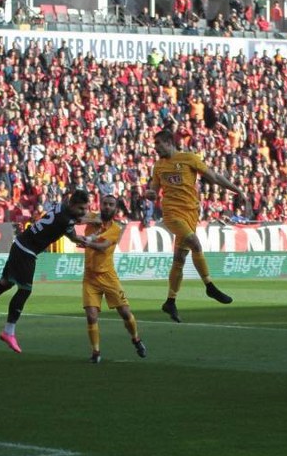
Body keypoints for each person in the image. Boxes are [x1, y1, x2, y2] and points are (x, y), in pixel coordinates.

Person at [0, 190, 92, 353]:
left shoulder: (61, 207)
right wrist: (86, 240)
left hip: (20, 244)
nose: (84, 212)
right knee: (25, 290)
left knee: (5, 283)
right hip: (27, 251)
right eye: (81, 208)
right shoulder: (66, 220)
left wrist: (90, 221)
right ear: (73, 205)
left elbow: (77, 220)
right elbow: (74, 236)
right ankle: (8, 331)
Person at [146, 127, 245, 323]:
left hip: (191, 213)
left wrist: (237, 190)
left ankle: (170, 301)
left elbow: (214, 177)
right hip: (172, 214)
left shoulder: (189, 158)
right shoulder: (158, 166)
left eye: (158, 144)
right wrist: (149, 194)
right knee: (195, 244)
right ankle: (209, 286)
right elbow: (154, 190)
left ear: (168, 143)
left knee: (180, 259)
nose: (155, 148)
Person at [82, 194, 146, 363]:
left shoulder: (116, 229)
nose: (107, 207)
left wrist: (87, 242)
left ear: (116, 208)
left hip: (108, 276)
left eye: (111, 204)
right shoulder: (92, 218)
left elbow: (103, 247)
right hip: (90, 276)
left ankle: (136, 339)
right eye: (105, 204)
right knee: (91, 316)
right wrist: (89, 220)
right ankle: (95, 353)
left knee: (125, 312)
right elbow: (77, 218)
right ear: (100, 204)